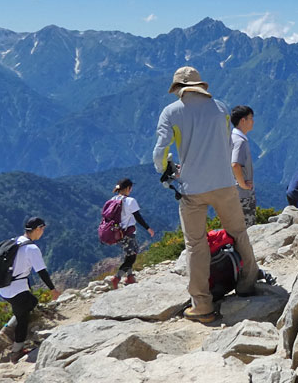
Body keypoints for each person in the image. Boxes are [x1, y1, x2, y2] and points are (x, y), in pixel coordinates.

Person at [153, 66, 260, 323]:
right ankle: (247, 285)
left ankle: (202, 305)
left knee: (196, 245)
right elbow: (224, 143)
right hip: (224, 184)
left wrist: (166, 168)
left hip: (192, 188)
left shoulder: (171, 112)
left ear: (179, 88)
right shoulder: (221, 108)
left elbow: (160, 152)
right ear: (201, 86)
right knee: (238, 233)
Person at [0, 217, 61, 363]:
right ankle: (16, 352)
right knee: (23, 318)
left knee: (30, 303)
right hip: (16, 290)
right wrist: (53, 289)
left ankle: (8, 328)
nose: (42, 233)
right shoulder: (32, 248)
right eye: (42, 229)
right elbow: (42, 272)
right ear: (38, 229)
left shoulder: (14, 241)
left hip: (3, 289)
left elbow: (1, 265)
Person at [108, 178, 155, 289]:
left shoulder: (113, 199)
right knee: (132, 257)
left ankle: (130, 277)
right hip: (128, 233)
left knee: (128, 254)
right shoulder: (130, 201)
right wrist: (148, 228)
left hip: (117, 233)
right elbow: (138, 217)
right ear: (128, 188)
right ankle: (116, 278)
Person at [230, 105, 257, 227]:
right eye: (250, 118)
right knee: (247, 229)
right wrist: (243, 185)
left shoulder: (231, 138)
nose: (253, 121)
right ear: (243, 120)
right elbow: (235, 164)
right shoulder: (240, 141)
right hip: (242, 195)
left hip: (232, 192)